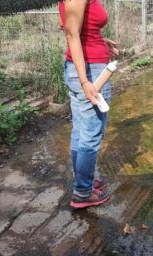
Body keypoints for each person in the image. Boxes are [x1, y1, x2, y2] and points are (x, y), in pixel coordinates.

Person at [59, 0, 119, 208]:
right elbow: (70, 33)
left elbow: (80, 29)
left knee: (80, 132)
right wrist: (85, 81)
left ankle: (83, 180)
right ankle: (83, 192)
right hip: (89, 71)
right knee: (91, 135)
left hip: (86, 66)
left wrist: (103, 42)